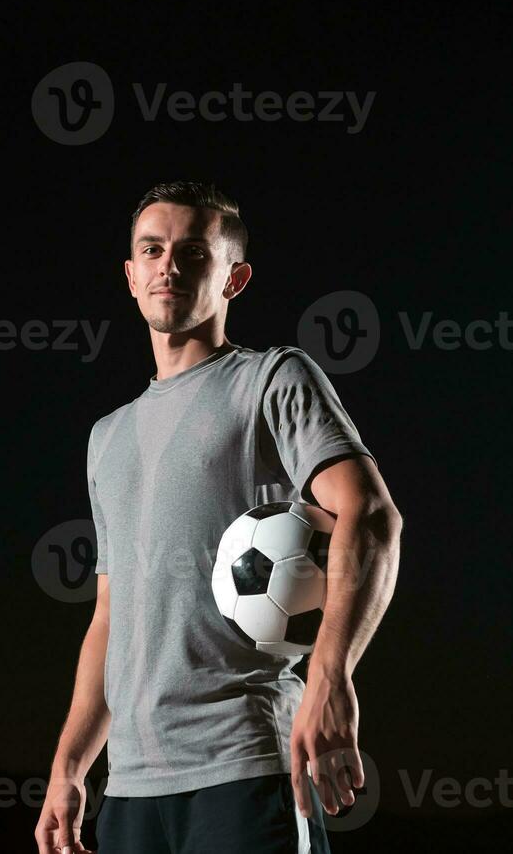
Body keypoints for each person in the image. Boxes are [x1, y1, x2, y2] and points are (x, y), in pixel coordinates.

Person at [34, 182, 403, 854]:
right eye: (153, 250)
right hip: (132, 789)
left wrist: (330, 676)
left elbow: (371, 514)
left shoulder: (272, 379)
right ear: (131, 274)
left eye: (193, 253)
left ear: (234, 277)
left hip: (247, 767)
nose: (168, 266)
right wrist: (68, 771)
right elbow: (110, 619)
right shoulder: (106, 437)